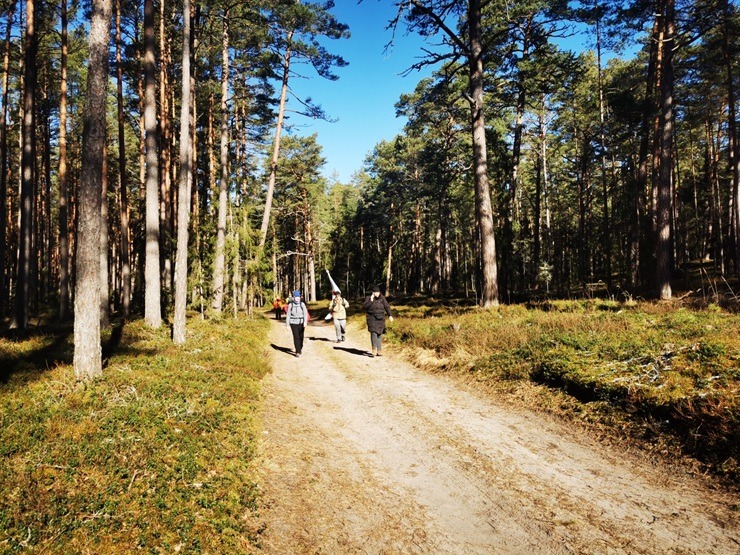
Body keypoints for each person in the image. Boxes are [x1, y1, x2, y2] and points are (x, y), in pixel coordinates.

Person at [363, 285, 393, 357]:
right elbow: (365, 307)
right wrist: (371, 300)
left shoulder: (382, 298)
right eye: (375, 292)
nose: (377, 294)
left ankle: (379, 350)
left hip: (381, 318)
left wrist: (390, 315)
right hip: (371, 318)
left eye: (378, 292)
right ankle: (374, 349)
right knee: (374, 333)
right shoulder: (368, 298)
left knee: (379, 334)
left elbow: (387, 307)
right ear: (372, 293)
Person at [285, 290, 308, 357]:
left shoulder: (302, 304)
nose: (297, 298)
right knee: (296, 337)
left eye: (298, 297)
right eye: (296, 297)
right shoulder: (290, 305)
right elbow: (288, 315)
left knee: (301, 336)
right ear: (293, 297)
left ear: (300, 297)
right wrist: (287, 325)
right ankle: (298, 351)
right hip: (293, 323)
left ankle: (300, 347)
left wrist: (305, 322)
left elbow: (305, 314)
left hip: (301, 322)